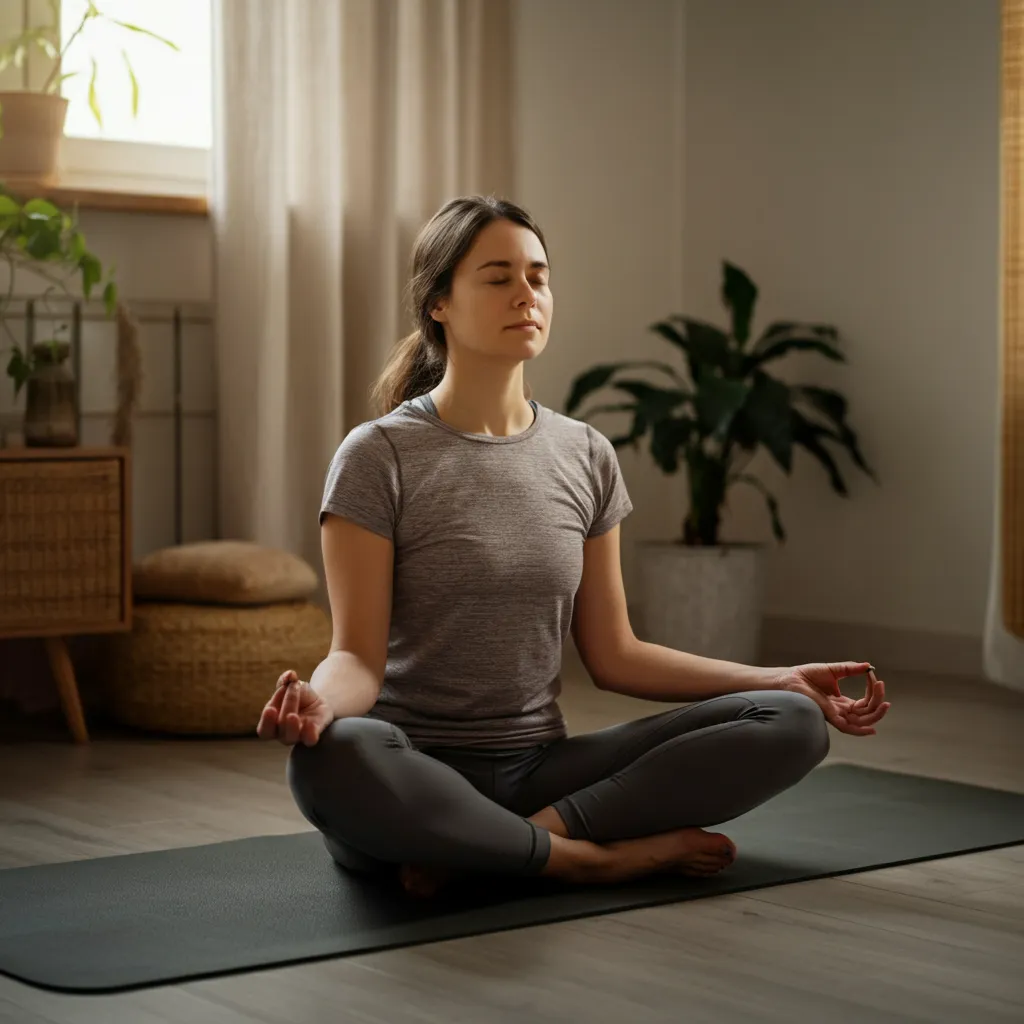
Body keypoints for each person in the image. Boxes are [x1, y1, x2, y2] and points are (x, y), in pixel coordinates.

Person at [257, 195, 890, 898]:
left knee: (792, 724)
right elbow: (355, 658)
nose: (526, 294)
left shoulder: (584, 453)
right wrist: (320, 703)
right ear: (438, 303)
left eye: (539, 276)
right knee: (332, 755)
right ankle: (595, 859)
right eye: (498, 277)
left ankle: (509, 843)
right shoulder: (378, 456)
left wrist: (781, 678)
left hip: (540, 770)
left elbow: (616, 654)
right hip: (412, 767)